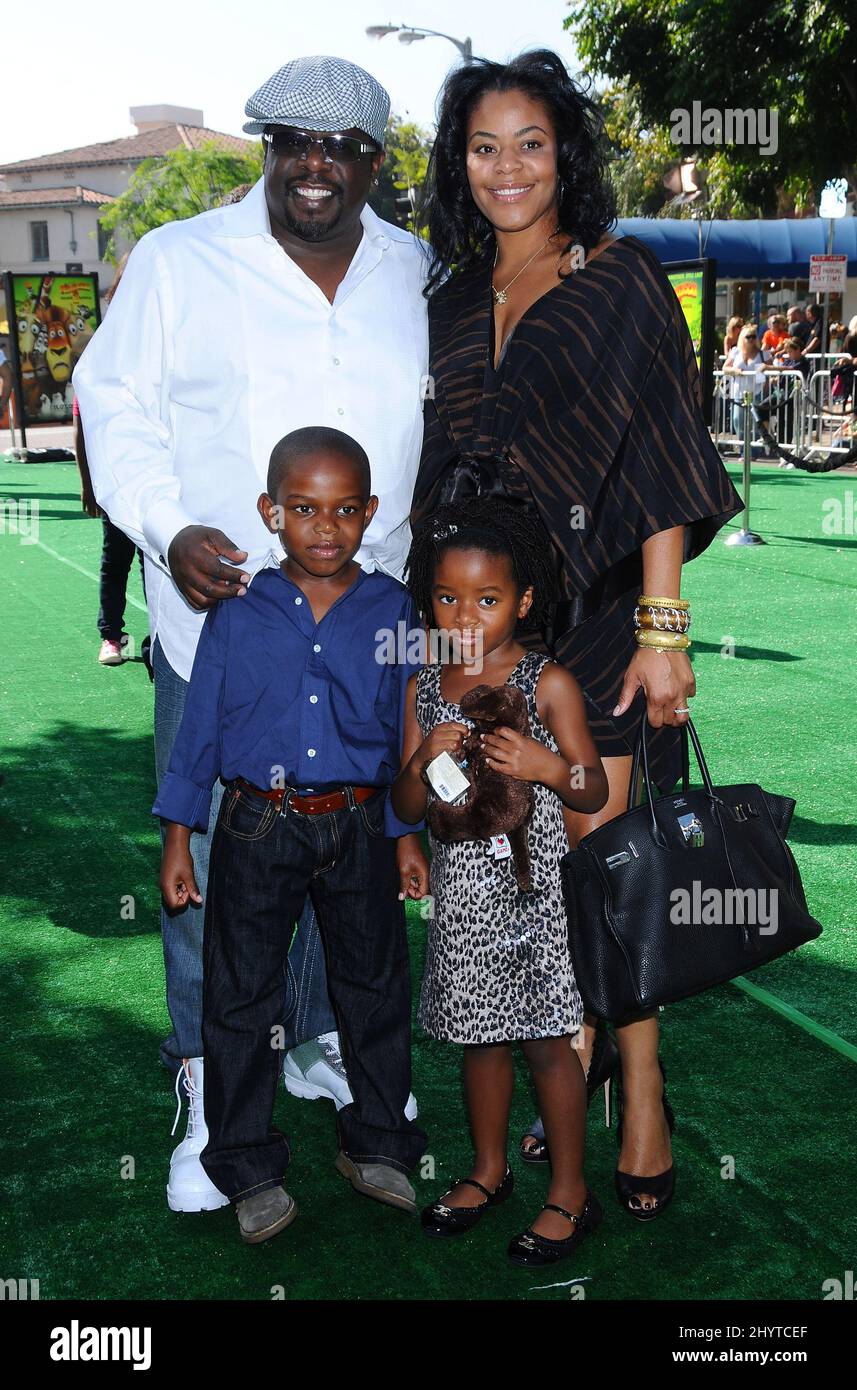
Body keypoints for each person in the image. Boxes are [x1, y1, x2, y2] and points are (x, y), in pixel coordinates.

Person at [73, 55, 429, 1214]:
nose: (315, 166)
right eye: (292, 141)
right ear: (265, 145)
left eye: (343, 147)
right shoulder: (182, 260)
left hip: (368, 629)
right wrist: (168, 526)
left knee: (351, 860)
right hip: (224, 621)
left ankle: (323, 1043)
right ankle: (205, 1092)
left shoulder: (409, 269)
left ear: (377, 160)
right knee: (224, 872)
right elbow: (109, 400)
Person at [413, 49, 743, 1220]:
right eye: (484, 147)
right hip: (485, 639)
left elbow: (660, 457)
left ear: (568, 156)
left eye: (532, 145)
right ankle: (556, 1073)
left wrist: (662, 630)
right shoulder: (448, 293)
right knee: (504, 866)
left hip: (601, 619)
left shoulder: (619, 279)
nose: (508, 169)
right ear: (460, 162)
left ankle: (639, 1088)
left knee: (600, 868)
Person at [156, 426, 428, 1243]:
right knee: (240, 995)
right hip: (254, 826)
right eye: (304, 509)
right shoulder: (239, 613)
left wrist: (406, 833)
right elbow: (197, 726)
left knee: (374, 985)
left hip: (359, 825)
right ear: (271, 511)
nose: (324, 527)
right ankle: (244, 1163)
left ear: (370, 512)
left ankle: (379, 1142)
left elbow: (409, 726)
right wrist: (177, 836)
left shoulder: (395, 611)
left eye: (345, 510)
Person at [393, 497, 609, 1266]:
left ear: (521, 601)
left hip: (535, 897)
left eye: (486, 599)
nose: (465, 614)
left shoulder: (545, 681)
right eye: (447, 597)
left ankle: (570, 1192)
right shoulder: (423, 687)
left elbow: (590, 787)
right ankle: (488, 1171)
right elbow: (406, 803)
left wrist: (546, 766)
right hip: (463, 902)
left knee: (549, 1043)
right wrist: (423, 761)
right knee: (477, 1044)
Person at [73, 256, 151, 669]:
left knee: (157, 560)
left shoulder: (161, 335)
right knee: (115, 559)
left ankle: (160, 635)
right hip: (117, 477)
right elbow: (82, 421)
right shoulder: (103, 347)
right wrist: (89, 484)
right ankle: (111, 634)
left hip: (157, 475)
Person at [724, 324, 772, 440]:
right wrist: (735, 370)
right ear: (742, 338)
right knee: (737, 420)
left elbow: (771, 368)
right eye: (748, 337)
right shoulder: (736, 352)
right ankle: (743, 449)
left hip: (757, 391)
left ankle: (754, 450)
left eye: (753, 336)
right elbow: (725, 368)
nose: (751, 339)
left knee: (756, 422)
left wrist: (768, 371)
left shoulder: (763, 354)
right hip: (739, 392)